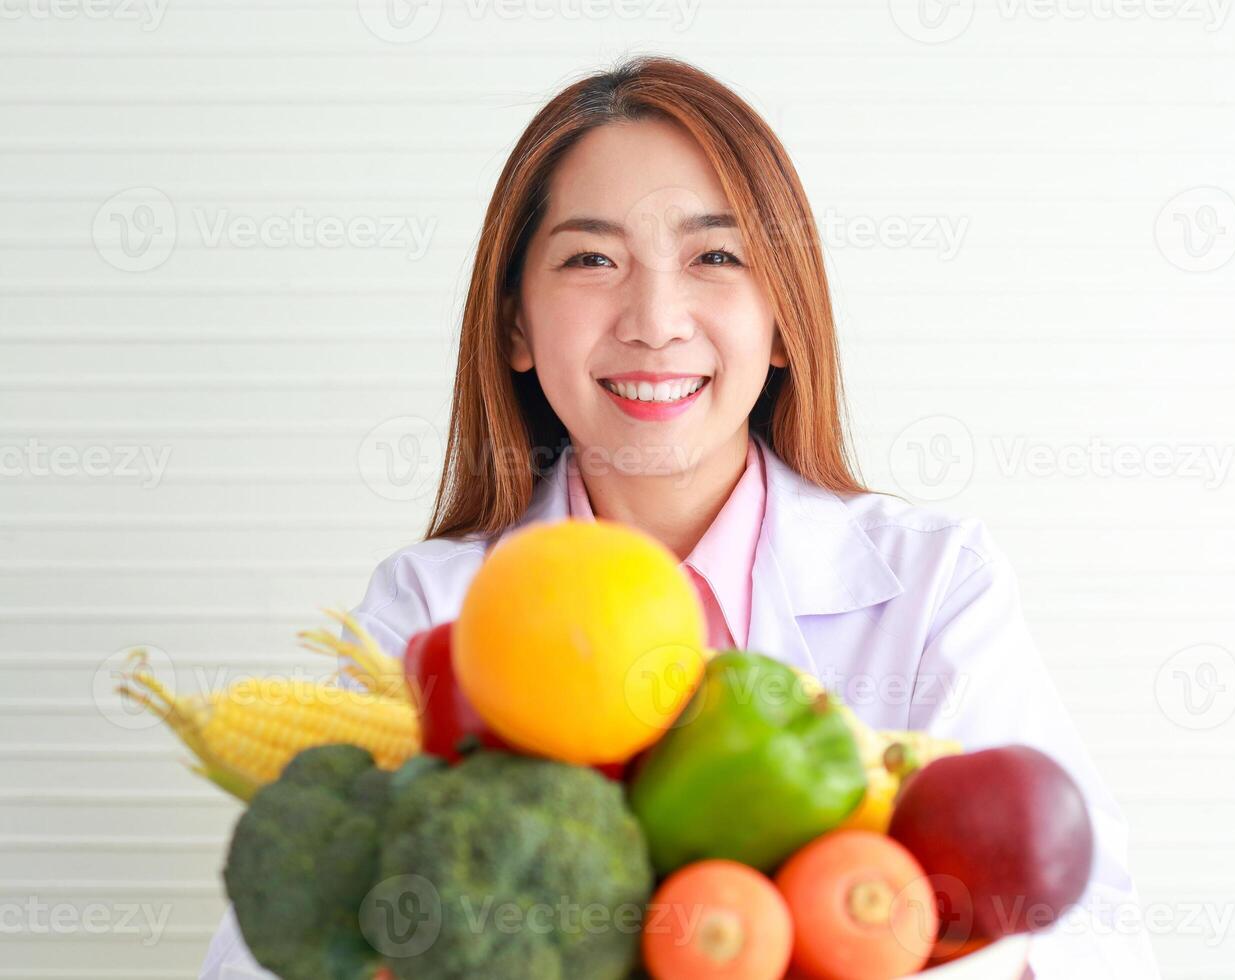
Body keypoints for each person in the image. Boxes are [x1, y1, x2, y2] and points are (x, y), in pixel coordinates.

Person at [200, 55, 1159, 979]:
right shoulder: (429, 606)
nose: (655, 319)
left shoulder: (937, 586)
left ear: (784, 319)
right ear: (515, 327)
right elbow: (271, 950)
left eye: (715, 255)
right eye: (590, 258)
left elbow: (1095, 932)